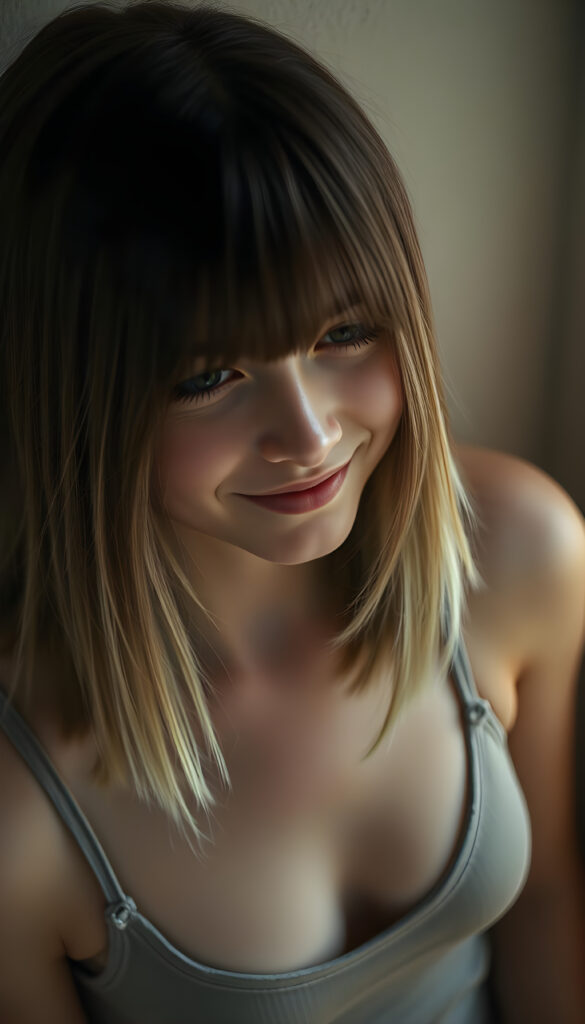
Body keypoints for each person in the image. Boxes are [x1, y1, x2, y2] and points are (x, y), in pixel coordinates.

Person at [0, 1, 583, 1021]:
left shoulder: (520, 553)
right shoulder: (21, 806)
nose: (309, 434)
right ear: (69, 396)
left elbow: (544, 907)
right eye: (210, 374)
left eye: (345, 330)